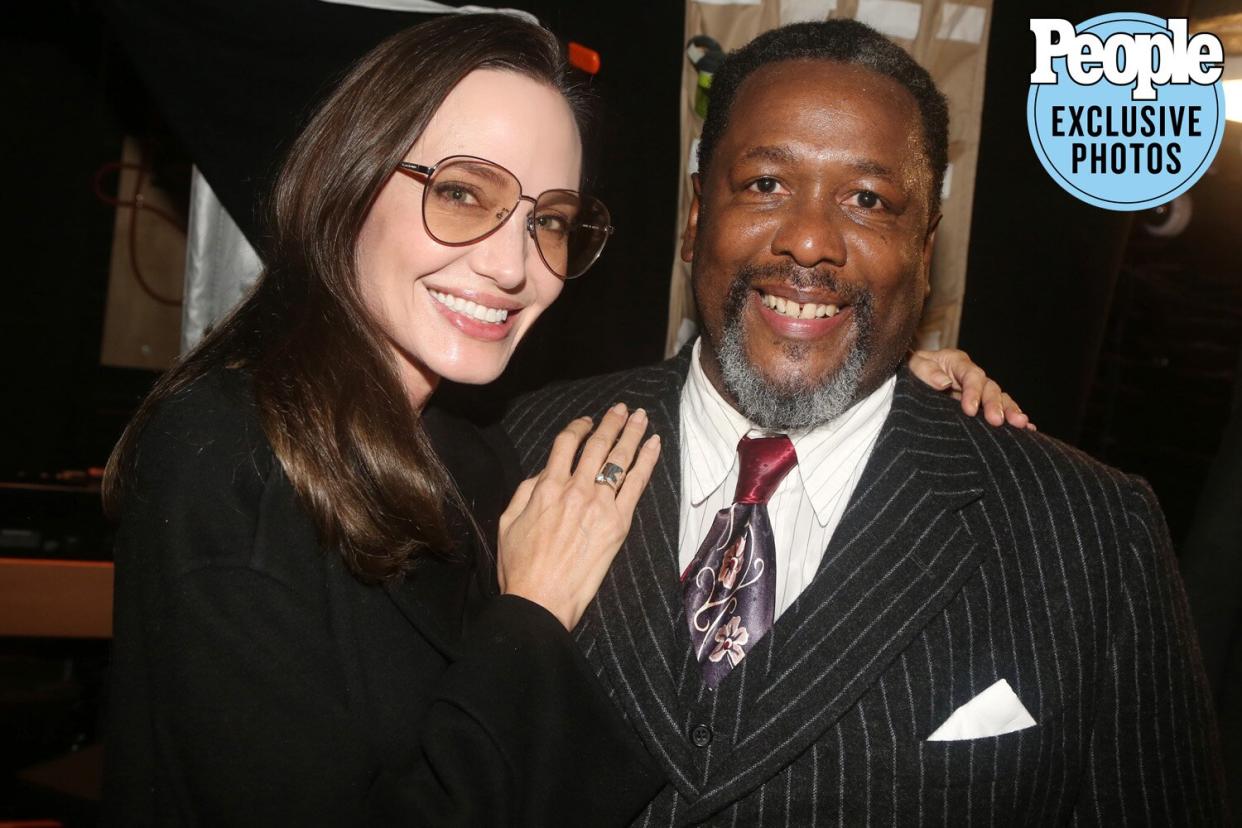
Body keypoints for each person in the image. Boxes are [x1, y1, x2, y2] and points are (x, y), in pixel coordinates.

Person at [503, 19, 1228, 825]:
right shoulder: (519, 450)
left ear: (924, 250)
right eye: (766, 184)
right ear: (694, 214)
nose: (810, 241)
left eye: (868, 200)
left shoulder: (1089, 534)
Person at [101, 15, 670, 826]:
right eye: (465, 194)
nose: (514, 267)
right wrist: (534, 614)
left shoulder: (462, 447)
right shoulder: (228, 460)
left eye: (549, 221)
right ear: (350, 177)